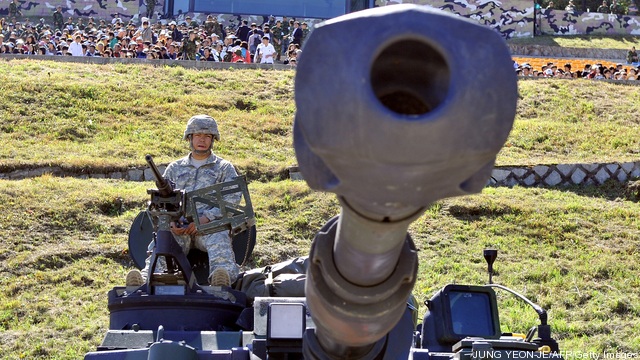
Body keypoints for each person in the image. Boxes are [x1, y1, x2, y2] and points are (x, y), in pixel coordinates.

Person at [126, 115, 241, 288]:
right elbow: (160, 201)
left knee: (219, 239)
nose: (202, 140)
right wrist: (170, 223)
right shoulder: (175, 168)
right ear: (190, 138)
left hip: (209, 228)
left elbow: (231, 199)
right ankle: (144, 279)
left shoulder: (224, 168)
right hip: (180, 229)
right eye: (197, 135)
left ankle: (221, 278)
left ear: (213, 140)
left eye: (207, 136)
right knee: (163, 242)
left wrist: (205, 219)